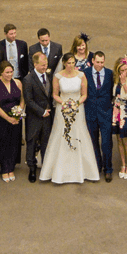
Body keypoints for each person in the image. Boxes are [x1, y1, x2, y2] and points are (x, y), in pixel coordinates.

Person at [40, 52, 101, 183]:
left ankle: (84, 171)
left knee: (79, 133)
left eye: (73, 63)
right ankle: (58, 171)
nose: (71, 65)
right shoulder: (58, 76)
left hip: (77, 109)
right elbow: (55, 95)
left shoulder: (81, 75)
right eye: (69, 63)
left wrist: (76, 103)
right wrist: (64, 103)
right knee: (60, 134)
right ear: (64, 63)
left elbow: (84, 94)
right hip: (63, 109)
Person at [82, 47, 116, 181]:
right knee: (93, 141)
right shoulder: (85, 73)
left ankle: (108, 169)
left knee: (107, 142)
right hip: (90, 112)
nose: (100, 65)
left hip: (106, 112)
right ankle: (97, 166)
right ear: (92, 61)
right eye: (97, 62)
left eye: (102, 62)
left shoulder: (109, 74)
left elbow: (113, 91)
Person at [23, 50, 55, 182]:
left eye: (46, 64)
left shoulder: (49, 75)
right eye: (42, 65)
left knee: (45, 142)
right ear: (35, 64)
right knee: (31, 141)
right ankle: (31, 168)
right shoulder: (28, 79)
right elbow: (28, 100)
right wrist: (42, 111)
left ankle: (45, 168)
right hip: (34, 117)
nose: (45, 66)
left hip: (47, 117)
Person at [0, 61, 24, 182]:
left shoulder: (18, 82)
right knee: (3, 143)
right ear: (1, 73)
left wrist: (19, 111)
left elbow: (22, 99)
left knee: (14, 142)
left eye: (11, 72)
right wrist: (8, 118)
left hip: (16, 118)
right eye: (7, 72)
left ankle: (11, 167)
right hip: (3, 119)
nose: (10, 74)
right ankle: (5, 169)